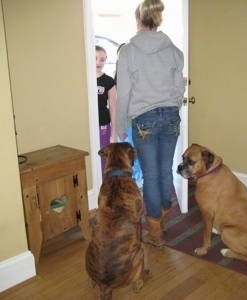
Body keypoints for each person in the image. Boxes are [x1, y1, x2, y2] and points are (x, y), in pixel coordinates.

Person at [116, 0, 185, 248]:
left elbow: (123, 93)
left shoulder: (128, 52)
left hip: (144, 118)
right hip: (170, 116)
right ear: (159, 20)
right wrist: (173, 105)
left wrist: (120, 124)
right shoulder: (174, 50)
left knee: (151, 176)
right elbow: (180, 87)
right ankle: (163, 220)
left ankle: (155, 231)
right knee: (165, 170)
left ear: (138, 20)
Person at [96, 45, 117, 179]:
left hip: (103, 125)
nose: (99, 62)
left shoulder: (108, 81)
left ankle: (105, 185)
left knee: (104, 158)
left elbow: (113, 108)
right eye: (95, 59)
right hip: (89, 125)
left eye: (102, 59)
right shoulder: (84, 79)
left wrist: (114, 134)